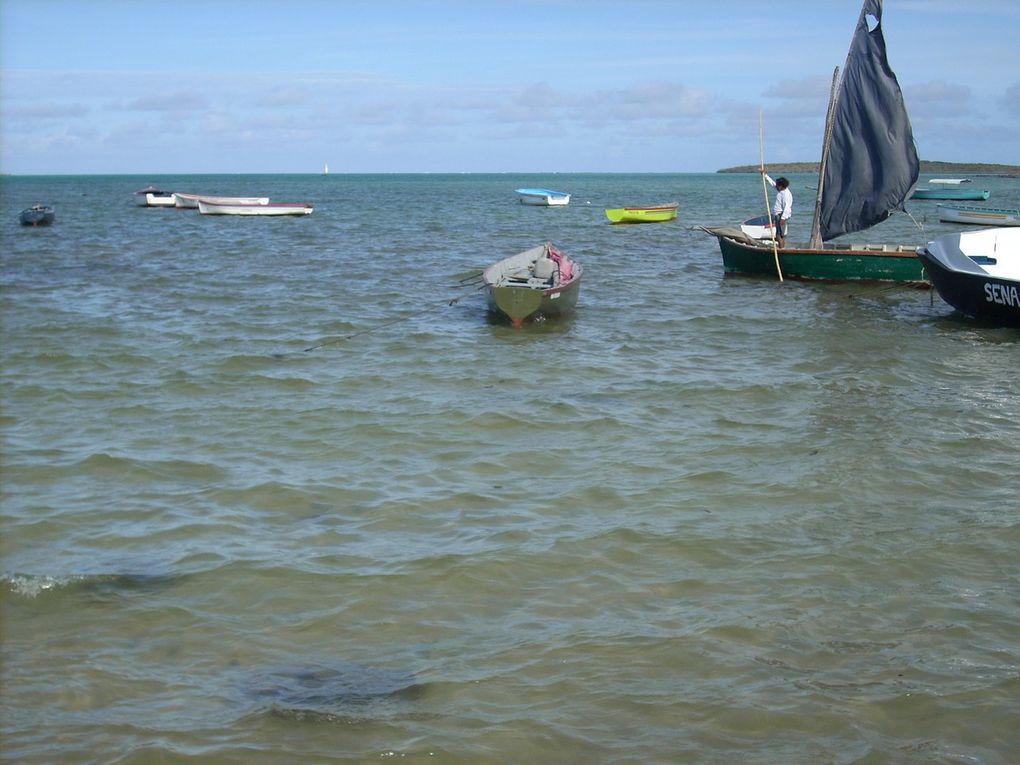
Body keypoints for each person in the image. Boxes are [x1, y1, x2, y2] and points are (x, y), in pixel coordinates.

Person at [762, 172, 792, 248]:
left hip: (780, 215)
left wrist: (783, 218)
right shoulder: (781, 190)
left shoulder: (786, 194)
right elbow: (773, 184)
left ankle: (781, 249)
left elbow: (787, 207)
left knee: (778, 235)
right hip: (778, 215)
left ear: (782, 186)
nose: (776, 186)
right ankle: (782, 248)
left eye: (778, 185)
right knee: (780, 234)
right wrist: (765, 175)